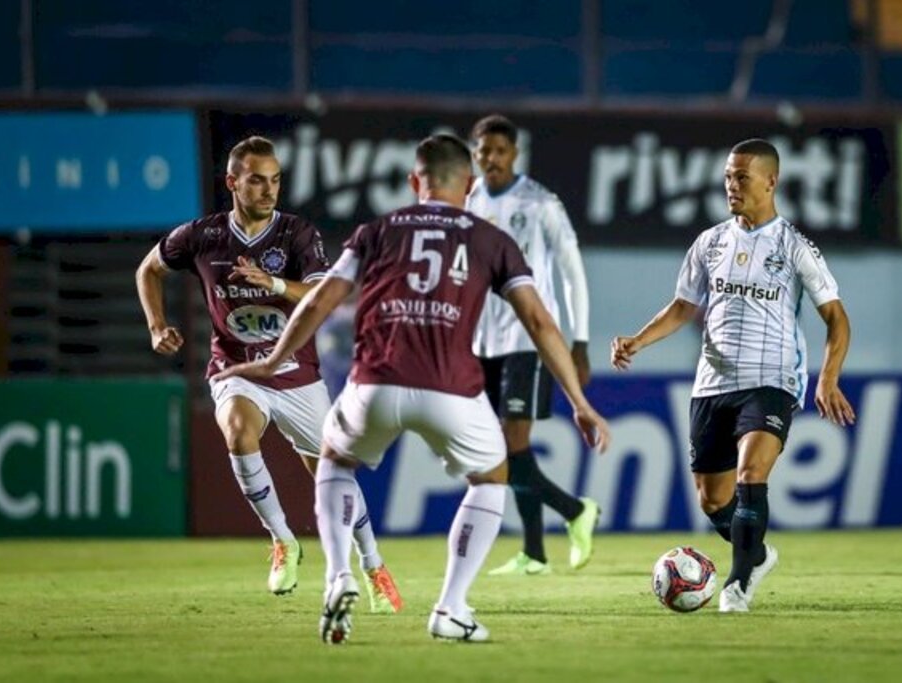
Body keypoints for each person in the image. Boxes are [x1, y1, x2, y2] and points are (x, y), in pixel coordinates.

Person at [215, 133, 611, 644]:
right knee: (491, 477)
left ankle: (338, 577)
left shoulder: (376, 231)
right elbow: (537, 319)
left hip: (375, 383)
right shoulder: (490, 239)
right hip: (452, 389)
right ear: (468, 185)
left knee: (334, 462)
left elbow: (320, 301)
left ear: (412, 182)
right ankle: (451, 608)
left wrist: (271, 361)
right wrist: (579, 401)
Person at [135, 135, 402, 613]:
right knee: (238, 429)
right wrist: (157, 326)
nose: (268, 189)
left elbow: (324, 297)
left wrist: (273, 283)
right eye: (257, 180)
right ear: (233, 182)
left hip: (297, 373)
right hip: (237, 368)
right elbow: (148, 270)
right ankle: (283, 540)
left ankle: (375, 565)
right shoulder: (201, 236)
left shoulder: (298, 235)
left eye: (275, 180)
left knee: (334, 476)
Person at [610, 138, 855, 613]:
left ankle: (737, 585)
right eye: (727, 176)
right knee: (712, 499)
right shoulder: (710, 242)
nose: (731, 185)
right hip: (713, 382)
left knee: (751, 472)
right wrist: (639, 340)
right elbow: (683, 306)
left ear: (771, 180)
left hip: (772, 377)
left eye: (741, 176)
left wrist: (827, 377)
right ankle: (757, 553)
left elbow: (837, 318)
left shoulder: (794, 246)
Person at [467, 114, 600, 576]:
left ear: (514, 154)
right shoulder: (470, 201)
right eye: (484, 151)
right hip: (482, 342)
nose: (491, 159)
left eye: (499, 151)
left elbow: (572, 271)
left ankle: (573, 512)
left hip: (528, 338)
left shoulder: (540, 202)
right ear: (475, 153)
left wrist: (578, 341)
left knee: (510, 444)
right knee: (498, 449)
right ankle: (537, 551)